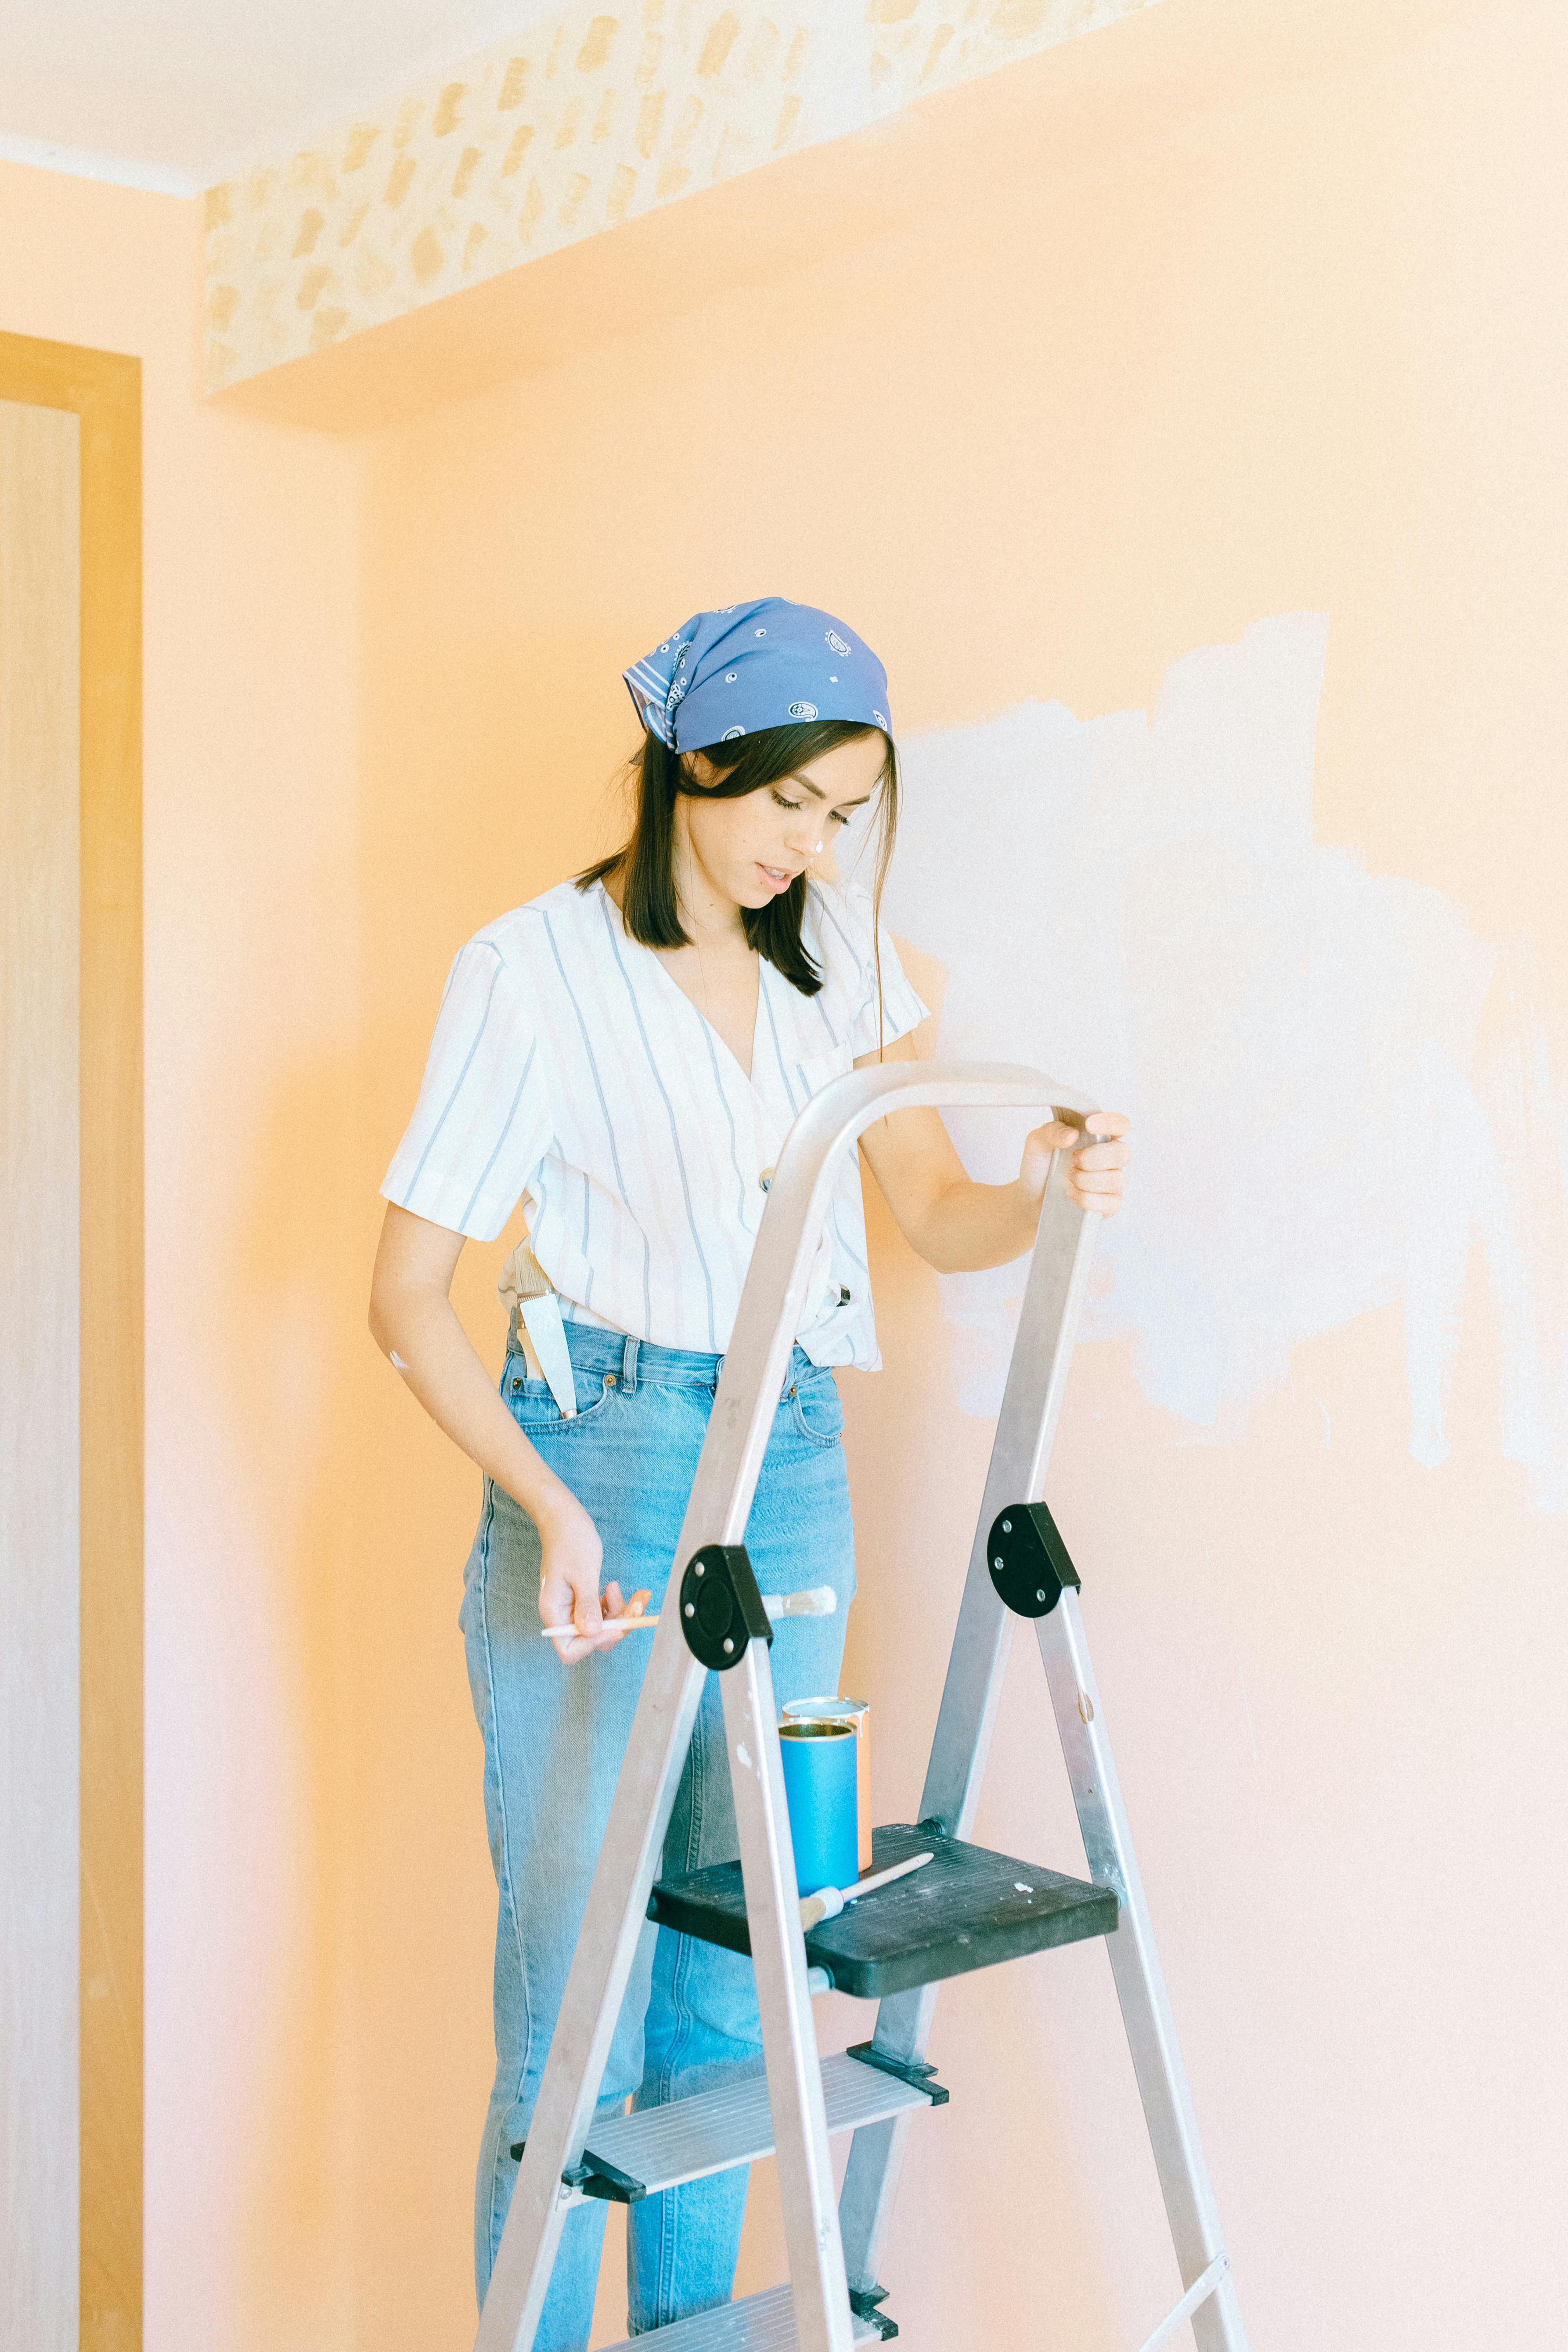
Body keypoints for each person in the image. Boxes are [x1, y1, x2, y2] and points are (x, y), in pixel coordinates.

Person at [367, 598, 1130, 2344]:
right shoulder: (529, 969)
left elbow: (935, 1215)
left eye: (846, 813)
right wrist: (546, 1508)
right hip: (607, 1453)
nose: (815, 846)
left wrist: (1046, 1183)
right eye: (791, 803)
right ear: (693, 765)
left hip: (791, 1451)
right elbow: (403, 1294)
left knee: (737, 1974)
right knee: (581, 1997)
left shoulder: (837, 952)